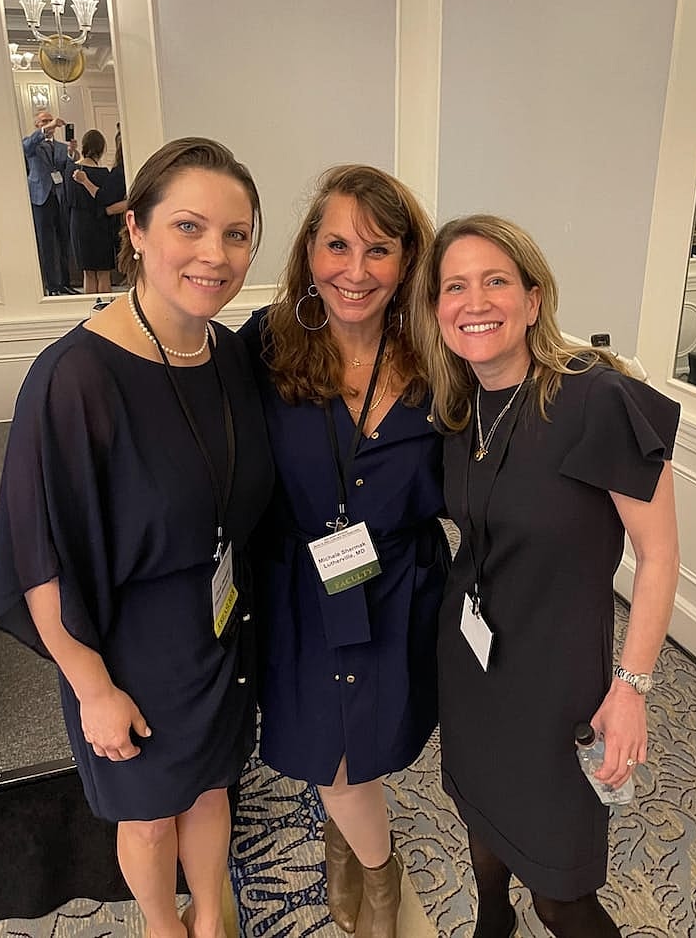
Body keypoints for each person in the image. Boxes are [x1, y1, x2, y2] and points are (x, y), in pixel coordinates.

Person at [0, 137, 274, 938]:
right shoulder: (75, 377)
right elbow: (38, 559)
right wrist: (91, 687)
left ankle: (210, 919)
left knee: (215, 786)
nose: (215, 255)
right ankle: (162, 926)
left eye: (236, 234)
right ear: (138, 230)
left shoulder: (228, 352)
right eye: (189, 227)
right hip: (129, 648)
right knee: (149, 816)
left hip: (220, 629)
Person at [411, 215, 680, 938]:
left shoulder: (597, 399)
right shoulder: (458, 406)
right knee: (480, 814)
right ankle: (491, 921)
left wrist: (632, 690)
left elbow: (659, 557)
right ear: (435, 310)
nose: (476, 302)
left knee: (563, 892)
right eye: (455, 287)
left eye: (496, 281)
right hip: (473, 666)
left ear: (534, 298)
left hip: (560, 685)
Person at [238, 165, 450, 938]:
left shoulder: (440, 363)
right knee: (332, 756)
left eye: (379, 251)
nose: (354, 272)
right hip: (297, 589)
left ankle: (351, 856)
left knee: (361, 752)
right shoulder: (263, 350)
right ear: (308, 252)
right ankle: (379, 884)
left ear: (407, 263)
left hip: (395, 588)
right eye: (336, 245)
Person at [22, 110, 75, 294]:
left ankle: (65, 283)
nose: (49, 123)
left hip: (59, 196)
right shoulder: (32, 143)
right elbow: (25, 147)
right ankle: (52, 285)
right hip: (40, 197)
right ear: (37, 124)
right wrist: (47, 129)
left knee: (63, 240)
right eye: (44, 121)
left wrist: (72, 154)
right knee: (46, 242)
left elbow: (65, 167)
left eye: (50, 120)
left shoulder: (60, 146)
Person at [68, 129, 114, 294]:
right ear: (102, 149)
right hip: (100, 223)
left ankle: (90, 313)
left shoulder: (70, 170)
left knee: (87, 273)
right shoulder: (104, 174)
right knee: (103, 273)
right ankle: (105, 314)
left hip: (79, 223)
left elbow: (67, 200)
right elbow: (106, 200)